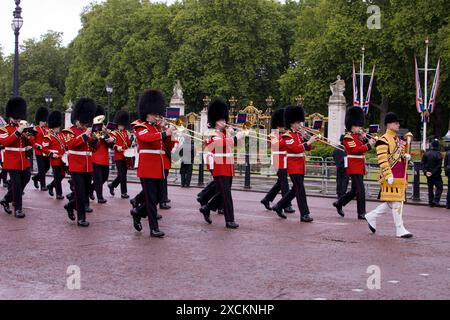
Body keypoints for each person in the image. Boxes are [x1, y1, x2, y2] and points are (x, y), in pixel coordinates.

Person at [132, 89, 176, 237]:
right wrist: (163, 133)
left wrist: (169, 134)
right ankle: (153, 228)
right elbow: (147, 139)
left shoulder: (158, 128)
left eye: (158, 114)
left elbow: (168, 146)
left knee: (158, 197)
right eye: (155, 114)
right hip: (147, 166)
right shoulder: (140, 126)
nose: (158, 116)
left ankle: (137, 212)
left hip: (160, 166)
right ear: (147, 113)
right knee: (151, 199)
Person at [365, 112, 413, 238]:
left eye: (398, 123)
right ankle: (399, 228)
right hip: (391, 175)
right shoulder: (383, 140)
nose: (398, 125)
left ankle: (371, 216)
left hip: (399, 175)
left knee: (393, 202)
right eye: (396, 123)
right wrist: (388, 174)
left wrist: (405, 156)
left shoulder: (397, 139)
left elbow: (399, 155)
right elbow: (382, 159)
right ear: (389, 124)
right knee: (397, 202)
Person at [200, 99, 246, 229]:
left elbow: (235, 144)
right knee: (226, 194)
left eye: (224, 119)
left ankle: (207, 207)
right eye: (221, 120)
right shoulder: (211, 133)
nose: (224, 122)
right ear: (215, 121)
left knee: (223, 192)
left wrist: (237, 135)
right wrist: (235, 137)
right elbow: (221, 144)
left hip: (228, 165)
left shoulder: (225, 133)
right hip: (219, 165)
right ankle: (229, 220)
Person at [271, 105, 316, 222]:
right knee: (300, 189)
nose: (299, 125)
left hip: (300, 165)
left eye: (299, 122)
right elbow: (295, 149)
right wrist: (307, 142)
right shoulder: (287, 136)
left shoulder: (298, 135)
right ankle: (304, 214)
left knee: (295, 190)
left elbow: (308, 148)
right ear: (291, 123)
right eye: (297, 123)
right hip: (293, 165)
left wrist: (307, 138)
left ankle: (278, 206)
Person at [333, 107, 375, 219]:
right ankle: (361, 213)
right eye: (358, 126)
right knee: (361, 189)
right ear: (352, 126)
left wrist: (366, 139)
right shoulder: (348, 138)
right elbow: (356, 150)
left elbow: (362, 147)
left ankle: (339, 203)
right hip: (353, 165)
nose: (360, 128)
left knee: (355, 190)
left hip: (359, 166)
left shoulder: (357, 137)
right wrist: (368, 144)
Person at [63, 97, 97, 227]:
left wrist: (95, 140)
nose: (83, 124)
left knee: (86, 192)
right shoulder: (69, 131)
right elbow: (71, 143)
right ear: (76, 119)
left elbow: (93, 148)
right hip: (76, 165)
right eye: (81, 121)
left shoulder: (86, 131)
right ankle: (81, 218)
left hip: (88, 165)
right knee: (80, 193)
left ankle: (70, 206)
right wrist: (85, 135)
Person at [0, 97, 33, 218]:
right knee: (17, 185)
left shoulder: (23, 127)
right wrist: (18, 132)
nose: (18, 119)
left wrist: (28, 136)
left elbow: (32, 142)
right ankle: (18, 209)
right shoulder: (4, 129)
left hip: (23, 160)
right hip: (11, 161)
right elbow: (5, 142)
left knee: (27, 178)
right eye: (15, 117)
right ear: (10, 116)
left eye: (19, 117)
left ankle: (6, 198)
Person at [260, 108, 295, 214]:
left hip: (284, 160)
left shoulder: (284, 134)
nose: (284, 127)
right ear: (278, 125)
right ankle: (286, 205)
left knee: (280, 183)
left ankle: (266, 199)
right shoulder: (273, 135)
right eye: (283, 125)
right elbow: (277, 146)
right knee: (284, 183)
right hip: (277, 160)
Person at [92, 105, 115, 204]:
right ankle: (100, 197)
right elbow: (93, 138)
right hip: (95, 157)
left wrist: (109, 138)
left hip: (104, 158)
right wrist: (103, 133)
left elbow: (110, 144)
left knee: (105, 177)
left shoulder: (104, 127)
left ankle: (89, 189)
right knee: (98, 178)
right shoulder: (92, 127)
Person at [42, 110, 66, 200]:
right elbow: (44, 148)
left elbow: (64, 145)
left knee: (62, 175)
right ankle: (59, 194)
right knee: (57, 176)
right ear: (53, 127)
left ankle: (51, 185)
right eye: (56, 127)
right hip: (55, 159)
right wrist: (51, 154)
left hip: (62, 159)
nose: (58, 128)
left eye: (58, 127)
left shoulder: (61, 135)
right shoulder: (48, 136)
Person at [109, 110, 131, 199]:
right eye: (121, 124)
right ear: (118, 124)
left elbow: (129, 144)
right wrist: (117, 148)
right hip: (118, 156)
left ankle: (112, 185)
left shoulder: (126, 133)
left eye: (123, 125)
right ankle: (124, 192)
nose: (122, 126)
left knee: (123, 174)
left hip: (125, 155)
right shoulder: (114, 133)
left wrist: (131, 141)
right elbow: (111, 144)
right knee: (122, 174)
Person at [31, 106, 50, 191]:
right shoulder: (35, 129)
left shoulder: (47, 129)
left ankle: (35, 178)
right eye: (42, 121)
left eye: (45, 121)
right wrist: (36, 145)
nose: (44, 122)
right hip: (39, 152)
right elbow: (31, 140)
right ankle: (43, 185)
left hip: (46, 151)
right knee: (42, 168)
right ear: (39, 121)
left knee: (47, 167)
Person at [421, 139, 443, 207]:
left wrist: (426, 172)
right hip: (436, 174)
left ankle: (431, 202)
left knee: (430, 188)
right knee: (440, 187)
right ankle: (435, 200)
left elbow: (422, 164)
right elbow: (438, 166)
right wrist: (432, 172)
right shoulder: (439, 154)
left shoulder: (426, 153)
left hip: (428, 174)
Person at [332, 134, 349, 199]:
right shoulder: (345, 148)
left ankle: (339, 193)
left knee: (339, 180)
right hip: (345, 166)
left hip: (338, 166)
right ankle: (342, 193)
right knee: (345, 180)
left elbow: (333, 155)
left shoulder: (337, 148)